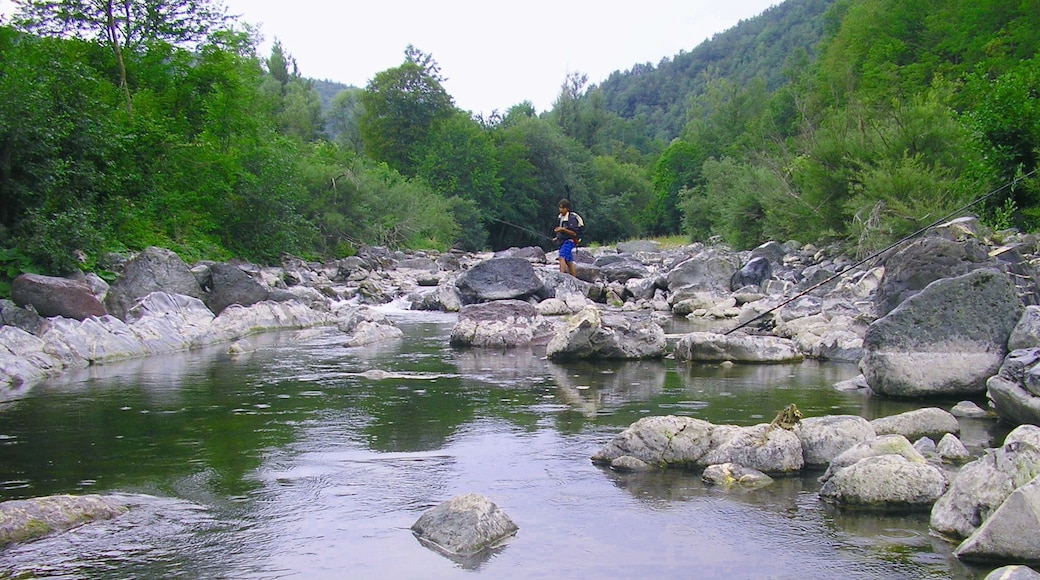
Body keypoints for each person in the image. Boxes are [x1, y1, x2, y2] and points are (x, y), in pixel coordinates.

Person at [553, 198, 583, 277]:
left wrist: (563, 229)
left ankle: (561, 277)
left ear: (567, 208)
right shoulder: (560, 218)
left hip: (570, 241)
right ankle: (574, 279)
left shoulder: (571, 218)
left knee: (561, 256)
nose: (560, 210)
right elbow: (561, 232)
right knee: (569, 261)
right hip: (562, 241)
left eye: (563, 208)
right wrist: (556, 238)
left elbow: (574, 233)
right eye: (560, 208)